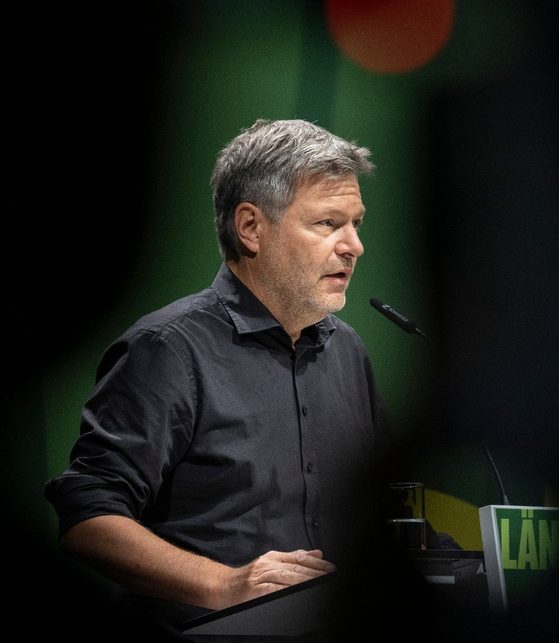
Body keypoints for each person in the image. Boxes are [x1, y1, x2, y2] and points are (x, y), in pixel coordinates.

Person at [44, 118, 404, 637]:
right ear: (251, 228)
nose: (354, 245)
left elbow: (387, 500)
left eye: (357, 223)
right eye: (328, 223)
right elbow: (87, 519)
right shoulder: (169, 348)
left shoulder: (346, 348)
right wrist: (227, 583)